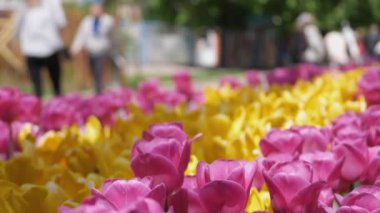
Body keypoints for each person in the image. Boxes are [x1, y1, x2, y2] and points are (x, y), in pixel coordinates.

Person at [15, 0, 66, 98]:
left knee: (49, 84)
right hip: (35, 49)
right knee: (49, 85)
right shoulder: (23, 6)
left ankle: (57, 106)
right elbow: (61, 23)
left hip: (49, 48)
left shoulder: (51, 4)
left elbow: (61, 22)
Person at [71, 1, 115, 94]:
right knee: (94, 71)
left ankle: (99, 91)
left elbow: (109, 31)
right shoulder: (87, 21)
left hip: (102, 51)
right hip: (91, 52)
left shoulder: (107, 20)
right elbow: (81, 35)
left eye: (97, 8)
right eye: (93, 8)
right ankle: (98, 88)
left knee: (99, 70)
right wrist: (75, 48)